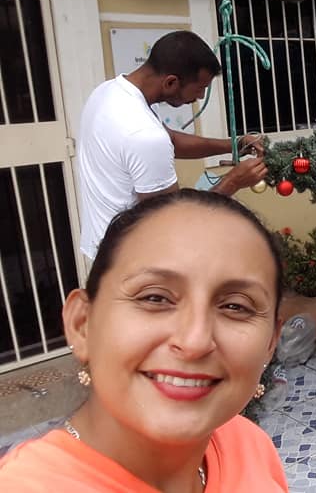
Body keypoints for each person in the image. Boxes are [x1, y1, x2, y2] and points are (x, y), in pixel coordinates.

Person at [0, 189, 287, 492]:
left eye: (235, 306)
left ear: (271, 342)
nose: (195, 341)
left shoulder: (248, 445)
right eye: (154, 298)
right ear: (82, 324)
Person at [76, 30, 267, 263]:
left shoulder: (109, 91)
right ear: (171, 82)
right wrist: (233, 181)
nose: (200, 96)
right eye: (200, 88)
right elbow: (173, 222)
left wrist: (235, 144)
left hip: (104, 247)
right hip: (132, 262)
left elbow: (172, 141)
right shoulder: (145, 134)